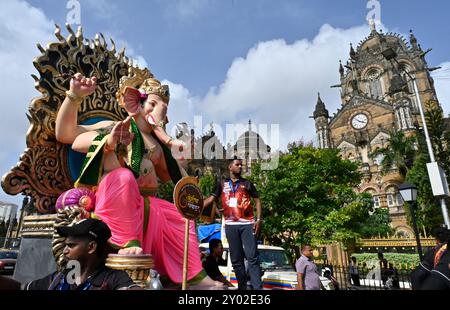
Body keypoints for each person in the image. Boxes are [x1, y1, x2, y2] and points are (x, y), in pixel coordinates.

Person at [55, 73, 220, 288]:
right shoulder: (118, 125)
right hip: (116, 200)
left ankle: (193, 277)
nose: (157, 111)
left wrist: (180, 154)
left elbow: (178, 181)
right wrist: (75, 98)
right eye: (152, 103)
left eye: (163, 108)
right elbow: (69, 137)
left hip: (147, 204)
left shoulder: (157, 146)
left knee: (182, 217)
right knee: (124, 177)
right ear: (136, 103)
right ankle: (126, 242)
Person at [0, 219, 141, 290]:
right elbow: (22, 287)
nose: (65, 250)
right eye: (65, 245)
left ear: (91, 247)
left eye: (71, 245)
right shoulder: (60, 278)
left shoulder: (112, 279)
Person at [203, 158, 263, 290]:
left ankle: (258, 289)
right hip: (230, 224)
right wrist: (196, 207)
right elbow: (212, 199)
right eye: (237, 164)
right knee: (236, 259)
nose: (240, 167)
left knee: (252, 257)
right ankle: (242, 288)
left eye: (241, 165)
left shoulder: (247, 183)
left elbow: (257, 200)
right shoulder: (221, 184)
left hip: (247, 223)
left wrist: (259, 220)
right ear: (230, 167)